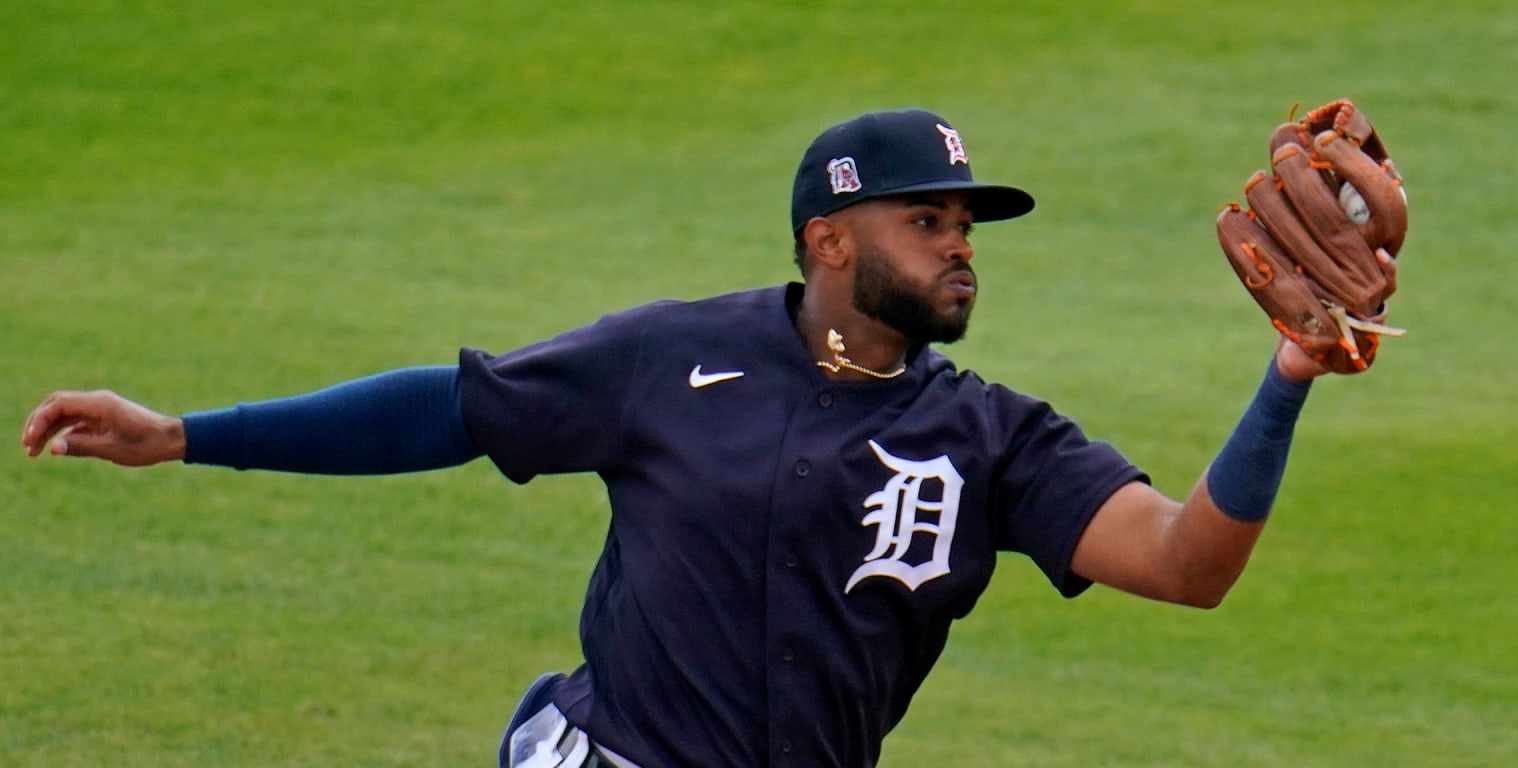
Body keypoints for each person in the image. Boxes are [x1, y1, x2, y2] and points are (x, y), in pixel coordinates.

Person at [20, 108, 1365, 768]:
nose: (959, 247)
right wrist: (186, 436)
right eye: (928, 220)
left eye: (967, 226)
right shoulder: (667, 359)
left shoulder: (992, 439)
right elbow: (450, 405)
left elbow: (1188, 564)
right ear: (829, 239)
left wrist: (1288, 374)